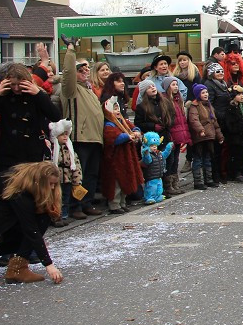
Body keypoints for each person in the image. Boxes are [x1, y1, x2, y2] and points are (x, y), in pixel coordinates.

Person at [0, 162, 64, 283]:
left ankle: (18, 266)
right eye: (50, 184)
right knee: (30, 235)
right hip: (0, 215)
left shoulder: (28, 182)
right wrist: (49, 265)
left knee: (44, 216)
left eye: (55, 184)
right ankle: (18, 268)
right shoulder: (19, 192)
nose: (52, 188)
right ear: (40, 181)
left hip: (6, 214)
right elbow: (31, 229)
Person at [59, 44, 106, 216]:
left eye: (87, 68)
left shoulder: (89, 90)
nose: (85, 71)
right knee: (78, 174)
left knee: (91, 174)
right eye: (81, 68)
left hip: (94, 138)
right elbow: (69, 73)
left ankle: (87, 202)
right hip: (80, 138)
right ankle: (74, 206)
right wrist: (71, 51)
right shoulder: (70, 89)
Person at [0, 64, 62, 179]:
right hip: (9, 153)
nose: (16, 88)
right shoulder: (4, 96)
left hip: (32, 152)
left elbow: (55, 116)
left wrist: (39, 95)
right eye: (13, 84)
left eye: (19, 84)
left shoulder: (35, 95)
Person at [99, 73, 144, 214]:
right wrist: (128, 136)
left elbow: (132, 127)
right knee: (116, 183)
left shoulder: (122, 121)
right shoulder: (109, 124)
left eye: (118, 109)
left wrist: (136, 131)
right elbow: (114, 138)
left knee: (125, 180)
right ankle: (114, 204)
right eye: (115, 109)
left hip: (125, 158)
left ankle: (122, 202)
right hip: (115, 159)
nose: (117, 111)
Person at [187, 84, 224, 190]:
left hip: (209, 136)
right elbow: (194, 120)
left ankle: (208, 179)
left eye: (206, 92)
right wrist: (201, 130)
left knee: (207, 158)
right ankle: (198, 181)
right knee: (198, 159)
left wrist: (219, 135)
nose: (206, 94)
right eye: (203, 93)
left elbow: (215, 123)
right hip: (200, 137)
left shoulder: (209, 106)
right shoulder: (194, 106)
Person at [49, 119, 84, 225]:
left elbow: (76, 165)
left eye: (66, 134)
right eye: (62, 135)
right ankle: (55, 216)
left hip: (67, 178)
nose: (65, 137)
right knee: (55, 199)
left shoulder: (70, 149)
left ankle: (64, 215)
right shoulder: (53, 149)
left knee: (65, 198)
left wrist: (77, 180)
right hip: (57, 180)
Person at [158, 78, 189, 195]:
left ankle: (175, 183)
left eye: (177, 84)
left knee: (175, 159)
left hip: (178, 133)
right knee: (169, 159)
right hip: (170, 133)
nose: (176, 87)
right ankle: (168, 184)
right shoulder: (165, 100)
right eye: (173, 85)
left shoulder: (178, 100)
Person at [139, 132, 172, 204]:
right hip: (151, 176)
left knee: (159, 188)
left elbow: (164, 155)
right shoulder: (148, 154)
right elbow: (147, 161)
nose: (154, 147)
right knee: (151, 188)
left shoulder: (159, 153)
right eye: (151, 145)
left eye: (155, 145)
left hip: (158, 175)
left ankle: (157, 196)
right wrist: (146, 153)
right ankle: (149, 197)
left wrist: (168, 149)